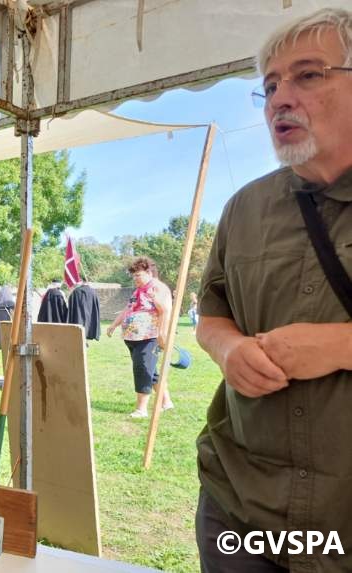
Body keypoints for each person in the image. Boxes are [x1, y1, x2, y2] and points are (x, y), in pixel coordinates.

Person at [195, 9, 352, 571]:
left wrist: (339, 345)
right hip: (241, 506)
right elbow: (210, 314)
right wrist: (229, 350)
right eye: (269, 86)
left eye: (307, 75)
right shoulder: (244, 208)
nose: (280, 98)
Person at [106, 256, 173, 418]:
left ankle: (141, 409)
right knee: (151, 371)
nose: (135, 278)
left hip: (149, 337)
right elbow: (127, 309)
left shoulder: (158, 288)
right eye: (133, 275)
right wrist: (114, 324)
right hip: (133, 338)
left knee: (143, 370)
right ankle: (166, 402)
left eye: (138, 275)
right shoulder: (138, 290)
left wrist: (162, 335)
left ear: (149, 273)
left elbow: (165, 311)